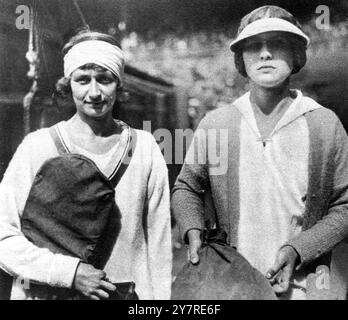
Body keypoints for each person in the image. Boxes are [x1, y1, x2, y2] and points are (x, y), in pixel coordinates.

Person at [172, 5, 348, 300]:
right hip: (232, 284)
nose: (265, 54)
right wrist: (192, 230)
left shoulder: (323, 124)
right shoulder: (218, 123)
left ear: (295, 55)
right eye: (254, 46)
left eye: (277, 43)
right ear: (241, 59)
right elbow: (186, 186)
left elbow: (344, 206)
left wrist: (298, 249)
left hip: (305, 286)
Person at [0, 30, 172, 300]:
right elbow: (3, 239)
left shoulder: (145, 149)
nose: (94, 92)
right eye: (83, 80)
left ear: (120, 85)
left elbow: (159, 247)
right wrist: (70, 272)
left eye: (105, 79)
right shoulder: (37, 147)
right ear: (68, 85)